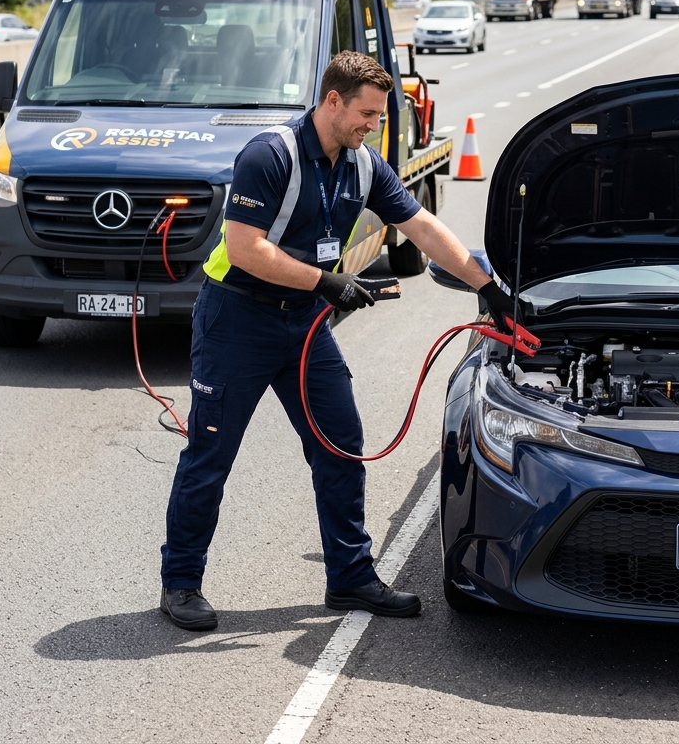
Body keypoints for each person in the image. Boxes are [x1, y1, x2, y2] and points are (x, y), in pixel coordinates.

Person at [159, 50, 511, 630]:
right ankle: (180, 583)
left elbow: (419, 225)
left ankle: (349, 578)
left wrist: (487, 286)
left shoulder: (362, 163)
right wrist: (328, 282)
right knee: (211, 453)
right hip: (237, 321)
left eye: (377, 117)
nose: (372, 126)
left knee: (341, 443)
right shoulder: (269, 156)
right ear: (332, 101)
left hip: (301, 323)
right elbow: (247, 249)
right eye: (366, 114)